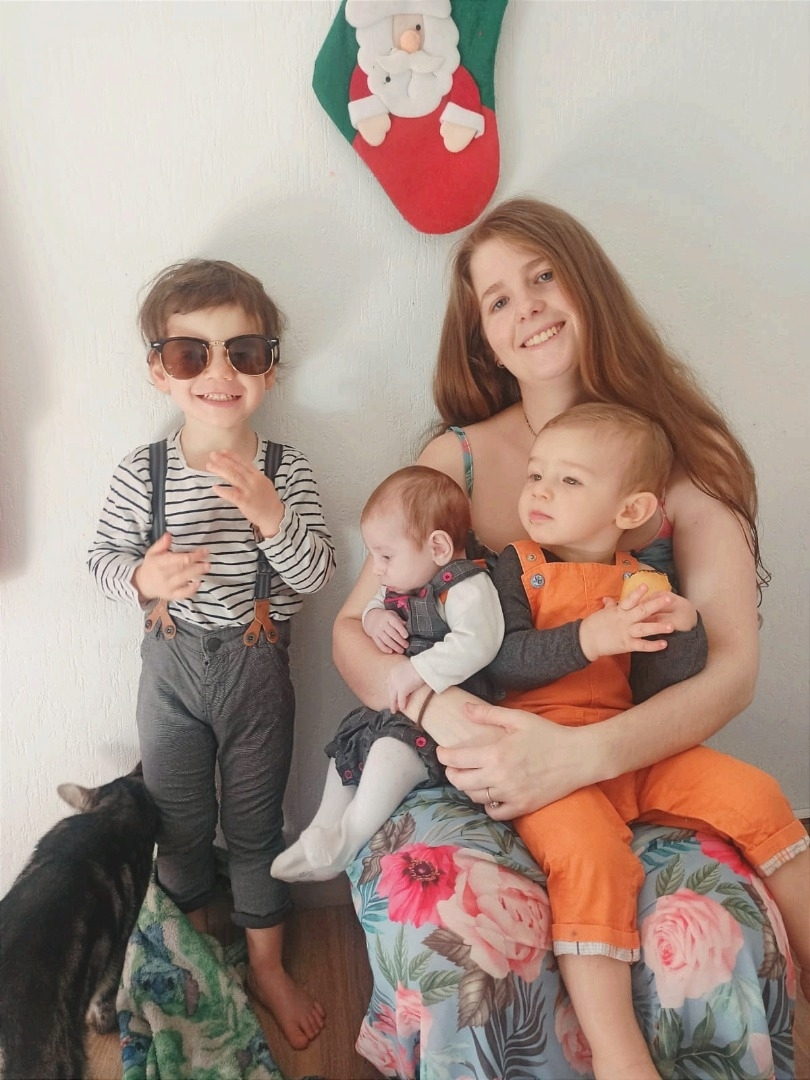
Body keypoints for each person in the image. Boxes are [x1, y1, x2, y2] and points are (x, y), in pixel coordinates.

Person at [332, 197, 806, 1078]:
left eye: (543, 276)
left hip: (631, 756)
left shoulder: (681, 453)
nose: (529, 308)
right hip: (465, 771)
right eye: (498, 300)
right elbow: (354, 637)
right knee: (460, 943)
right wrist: (441, 713)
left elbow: (733, 668)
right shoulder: (455, 461)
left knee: (709, 936)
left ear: (587, 284)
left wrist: (581, 756)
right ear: (483, 340)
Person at [487, 401, 810, 1080]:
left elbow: (663, 686)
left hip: (631, 749)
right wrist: (588, 637)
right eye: (536, 474)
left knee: (756, 793)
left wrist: (683, 629)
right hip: (547, 759)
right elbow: (502, 661)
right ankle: (618, 1050)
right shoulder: (513, 567)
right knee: (592, 860)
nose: (540, 491)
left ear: (631, 510)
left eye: (569, 481)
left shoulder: (642, 580)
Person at [88, 259, 335, 1050]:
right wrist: (141, 576)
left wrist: (272, 517)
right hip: (171, 673)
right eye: (192, 353)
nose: (220, 373)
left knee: (258, 826)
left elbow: (316, 576)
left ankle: (265, 965)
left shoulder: (287, 470)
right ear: (160, 371)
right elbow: (100, 561)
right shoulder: (145, 471)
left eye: (244, 352)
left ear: (271, 369)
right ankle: (193, 955)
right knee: (180, 824)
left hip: (257, 673)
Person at [271, 465, 504, 883]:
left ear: (437, 546)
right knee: (347, 744)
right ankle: (323, 829)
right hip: (398, 712)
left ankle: (349, 838)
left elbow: (479, 642)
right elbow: (370, 607)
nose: (376, 569)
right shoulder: (404, 582)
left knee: (387, 753)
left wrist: (418, 670)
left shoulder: (466, 586)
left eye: (385, 556)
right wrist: (375, 617)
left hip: (443, 725)